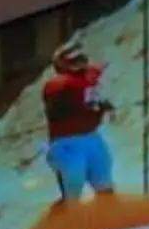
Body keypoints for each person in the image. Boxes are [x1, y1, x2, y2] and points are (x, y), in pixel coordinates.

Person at [40, 40, 116, 202]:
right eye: (74, 60)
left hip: (91, 137)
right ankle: (65, 225)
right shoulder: (57, 85)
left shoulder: (86, 80)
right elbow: (72, 94)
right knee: (72, 195)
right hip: (67, 142)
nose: (80, 63)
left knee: (106, 189)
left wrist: (99, 103)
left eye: (80, 58)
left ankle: (108, 224)